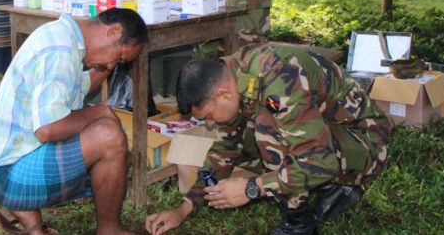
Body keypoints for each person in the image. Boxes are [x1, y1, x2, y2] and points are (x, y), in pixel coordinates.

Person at [145, 44, 392, 235]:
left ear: (223, 93)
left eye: (208, 116)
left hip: (366, 142)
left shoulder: (278, 80)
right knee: (256, 135)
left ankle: (298, 226)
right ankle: (335, 187)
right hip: (326, 132)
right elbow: (226, 150)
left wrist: (251, 188)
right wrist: (183, 208)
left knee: (268, 130)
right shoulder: (234, 76)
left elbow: (319, 160)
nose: (209, 124)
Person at [0, 8, 148, 235]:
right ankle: (109, 229)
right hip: (8, 176)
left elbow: (80, 87)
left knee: (116, 155)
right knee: (109, 137)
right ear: (113, 31)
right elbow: (48, 130)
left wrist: (104, 69)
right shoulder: (60, 50)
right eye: (119, 58)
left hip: (12, 163)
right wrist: (102, 111)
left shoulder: (62, 38)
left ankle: (29, 214)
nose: (112, 66)